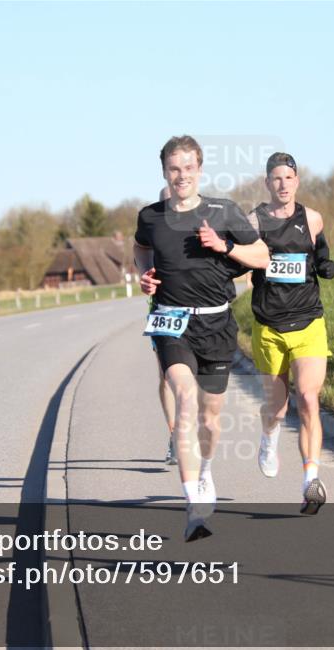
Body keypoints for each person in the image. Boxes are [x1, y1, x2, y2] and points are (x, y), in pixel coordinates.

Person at [134, 135, 269, 540]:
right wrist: (145, 276)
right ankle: (193, 506)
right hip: (172, 322)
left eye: (188, 168)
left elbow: (261, 256)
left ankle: (206, 472)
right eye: (174, 169)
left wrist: (224, 245)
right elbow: (141, 250)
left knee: (211, 418)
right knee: (185, 399)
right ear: (164, 172)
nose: (181, 176)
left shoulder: (222, 210)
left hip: (216, 324)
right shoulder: (150, 216)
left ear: (199, 169)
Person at [247, 152, 334, 515]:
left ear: (297, 181)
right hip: (269, 326)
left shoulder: (312, 219)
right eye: (276, 179)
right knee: (277, 408)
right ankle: (269, 438)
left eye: (289, 178)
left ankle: (309, 480)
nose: (283, 184)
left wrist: (326, 264)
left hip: (309, 323)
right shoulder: (253, 221)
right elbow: (238, 261)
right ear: (267, 183)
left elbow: (322, 254)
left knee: (310, 399)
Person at [156, 185, 178, 465]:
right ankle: (175, 434)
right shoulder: (154, 233)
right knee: (165, 376)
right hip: (163, 311)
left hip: (198, 312)